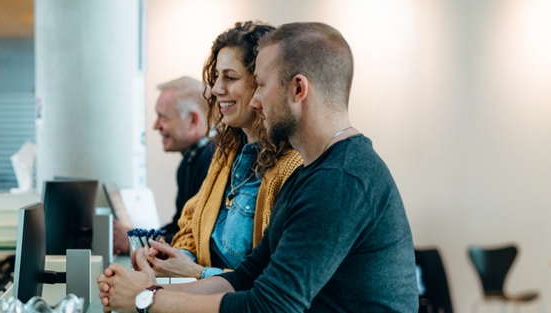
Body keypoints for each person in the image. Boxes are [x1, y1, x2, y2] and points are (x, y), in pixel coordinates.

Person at [97, 22, 418, 312]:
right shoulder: (311, 174)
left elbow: (270, 306)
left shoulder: (338, 180)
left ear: (298, 89)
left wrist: (148, 301)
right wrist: (149, 291)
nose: (254, 100)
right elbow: (246, 277)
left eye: (261, 85)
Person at [145, 21, 304, 280]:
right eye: (216, 76)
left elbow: (275, 285)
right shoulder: (226, 153)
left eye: (230, 77)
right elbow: (190, 224)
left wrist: (197, 273)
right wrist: (175, 258)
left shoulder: (293, 167)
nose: (217, 89)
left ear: (263, 83)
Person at [152, 76, 216, 242]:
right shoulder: (188, 162)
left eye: (163, 117)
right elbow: (180, 225)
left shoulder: (214, 162)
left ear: (193, 120)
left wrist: (143, 243)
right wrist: (139, 238)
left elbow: (196, 234)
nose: (156, 126)